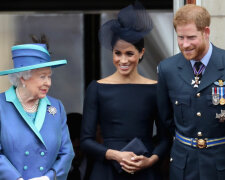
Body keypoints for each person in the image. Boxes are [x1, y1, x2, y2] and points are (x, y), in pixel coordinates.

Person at [80, 2, 170, 180]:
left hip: (145, 169)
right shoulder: (97, 88)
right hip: (106, 170)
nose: (123, 60)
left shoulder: (156, 88)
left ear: (141, 53)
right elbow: (86, 141)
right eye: (117, 53)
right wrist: (115, 155)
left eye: (129, 53)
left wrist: (150, 161)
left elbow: (165, 138)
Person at [157, 4, 225, 180]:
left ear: (206, 32)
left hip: (220, 164)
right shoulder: (167, 69)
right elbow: (166, 120)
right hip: (184, 166)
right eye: (180, 37)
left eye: (191, 37)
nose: (184, 44)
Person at [0, 37, 74, 180]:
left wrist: (48, 178)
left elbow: (67, 153)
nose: (48, 83)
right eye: (42, 77)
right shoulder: (1, 106)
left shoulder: (56, 107)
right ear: (23, 78)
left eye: (49, 76)